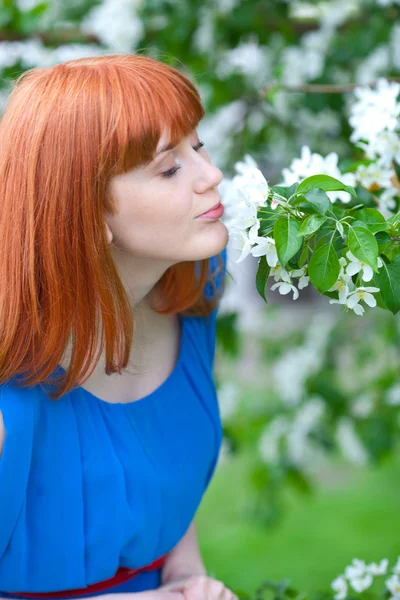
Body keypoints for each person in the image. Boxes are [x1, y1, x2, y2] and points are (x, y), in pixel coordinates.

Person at [0, 54, 237, 600]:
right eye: (169, 167)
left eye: (197, 146)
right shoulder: (11, 394)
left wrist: (184, 571)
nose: (211, 175)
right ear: (85, 212)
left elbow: (158, 467)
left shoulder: (193, 291)